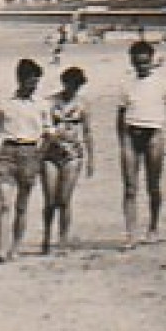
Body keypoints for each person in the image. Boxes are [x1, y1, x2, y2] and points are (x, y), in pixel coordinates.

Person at [0, 58, 52, 263]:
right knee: (5, 204)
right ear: (20, 79)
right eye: (30, 81)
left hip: (30, 152)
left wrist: (39, 157)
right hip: (7, 153)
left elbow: (48, 134)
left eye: (36, 81)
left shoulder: (42, 105)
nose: (33, 85)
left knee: (21, 205)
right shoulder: (3, 103)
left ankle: (15, 247)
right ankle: (1, 250)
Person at [116, 40, 166, 247]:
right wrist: (122, 141)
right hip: (131, 135)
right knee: (130, 187)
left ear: (152, 61)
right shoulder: (125, 84)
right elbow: (120, 114)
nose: (142, 67)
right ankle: (131, 232)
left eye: (145, 63)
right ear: (131, 62)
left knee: (153, 186)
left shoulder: (163, 83)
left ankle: (153, 227)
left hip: (154, 135)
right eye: (137, 63)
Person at [40, 66, 94, 254]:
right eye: (70, 84)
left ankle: (63, 239)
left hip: (73, 154)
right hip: (50, 153)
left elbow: (87, 132)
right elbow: (42, 128)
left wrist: (91, 158)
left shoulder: (83, 104)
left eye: (77, 85)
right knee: (49, 200)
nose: (73, 88)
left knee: (64, 199)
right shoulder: (49, 102)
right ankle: (46, 237)